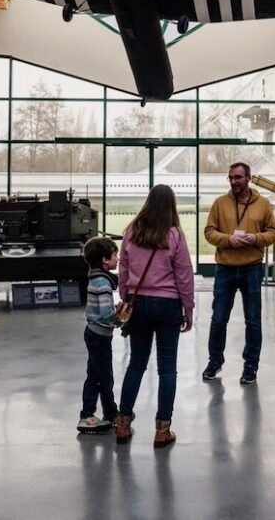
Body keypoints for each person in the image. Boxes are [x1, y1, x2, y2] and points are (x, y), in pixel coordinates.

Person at [114, 185, 195, 447]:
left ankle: (123, 424)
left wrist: (125, 296)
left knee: (136, 363)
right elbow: (183, 274)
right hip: (168, 305)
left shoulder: (132, 232)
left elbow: (123, 267)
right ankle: (162, 430)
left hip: (139, 304)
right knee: (167, 367)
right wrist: (188, 308)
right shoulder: (174, 235)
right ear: (171, 205)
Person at [202, 162, 275, 385]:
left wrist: (256, 238)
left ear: (248, 178)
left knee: (253, 321)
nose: (234, 181)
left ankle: (250, 366)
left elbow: (272, 234)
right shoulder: (220, 203)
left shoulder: (263, 205)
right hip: (225, 269)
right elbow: (209, 232)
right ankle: (214, 362)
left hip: (252, 268)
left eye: (238, 177)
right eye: (231, 178)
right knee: (218, 320)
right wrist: (228, 239)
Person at [78, 236, 119, 434]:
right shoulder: (103, 282)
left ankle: (88, 413)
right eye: (115, 255)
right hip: (100, 336)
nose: (118, 259)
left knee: (94, 376)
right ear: (105, 260)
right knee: (105, 378)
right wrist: (119, 318)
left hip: (94, 334)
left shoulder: (95, 278)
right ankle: (110, 413)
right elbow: (105, 313)